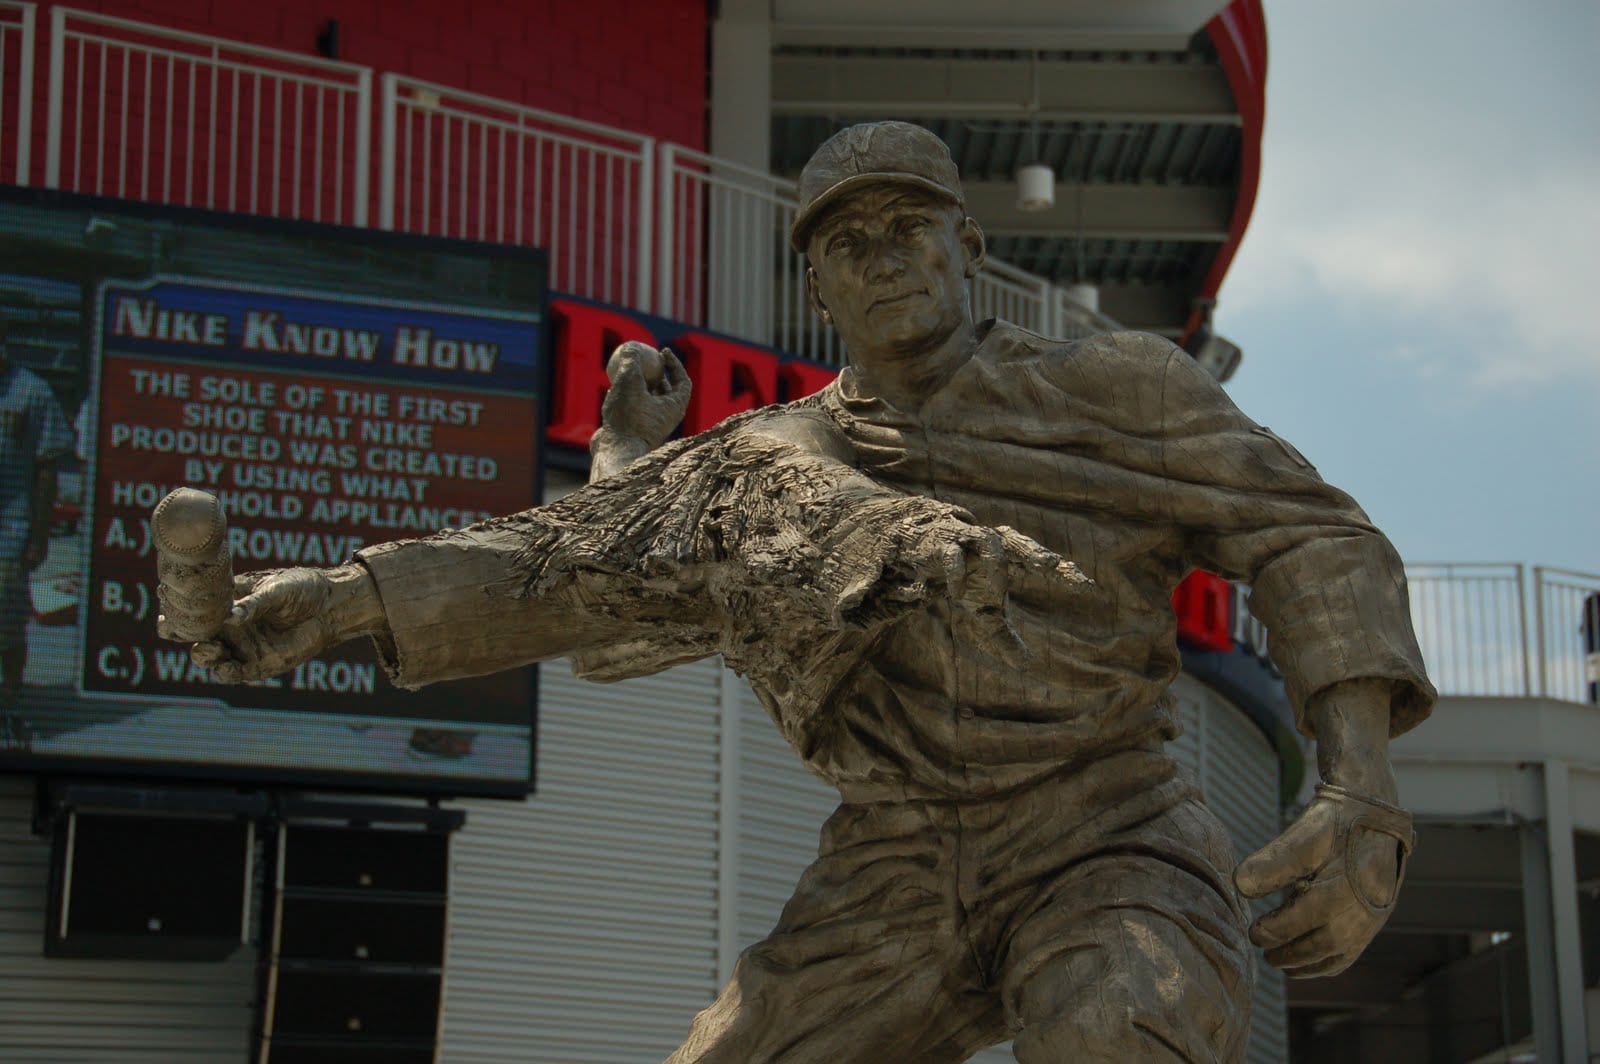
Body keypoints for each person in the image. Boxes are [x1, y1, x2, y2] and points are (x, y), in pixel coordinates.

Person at [180, 122, 1434, 1062]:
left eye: (907, 229)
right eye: (847, 242)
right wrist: (338, 599)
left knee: (1115, 1027)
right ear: (815, 286)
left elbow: (1314, 537)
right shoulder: (768, 466)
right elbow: (570, 566)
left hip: (1109, 829)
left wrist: (1358, 782)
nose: (882, 258)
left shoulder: (1121, 391)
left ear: (968, 247)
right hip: (892, 859)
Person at [0, 317, 73, 748]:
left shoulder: (32, 391)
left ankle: (9, 702)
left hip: (8, 529)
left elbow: (48, 468)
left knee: (7, 625)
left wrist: (40, 534)